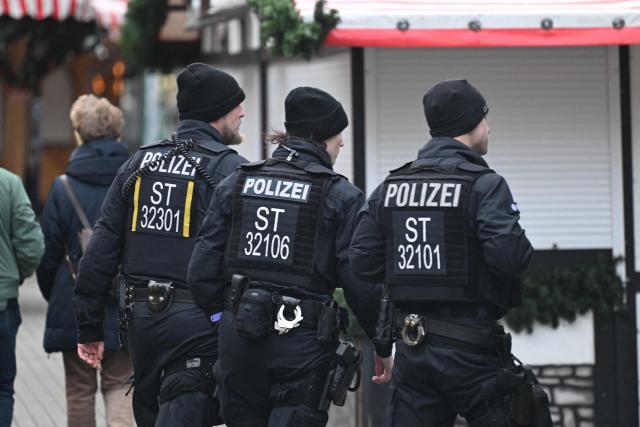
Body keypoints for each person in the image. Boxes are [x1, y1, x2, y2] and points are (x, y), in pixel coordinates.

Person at [350, 79, 552, 426]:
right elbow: (511, 258)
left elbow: (362, 262)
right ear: (470, 123)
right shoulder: (485, 185)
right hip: (472, 351)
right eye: (485, 118)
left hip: (414, 350)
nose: (489, 127)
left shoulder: (392, 187)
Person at [188, 86, 392, 427]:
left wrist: (222, 319)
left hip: (239, 337)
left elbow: (200, 271)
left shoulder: (237, 183)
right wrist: (383, 344)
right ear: (324, 138)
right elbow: (360, 283)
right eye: (339, 136)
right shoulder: (340, 195)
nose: (342, 143)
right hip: (303, 344)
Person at [73, 63, 249, 427]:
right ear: (217, 111)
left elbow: (101, 249)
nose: (243, 113)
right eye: (237, 106)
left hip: (141, 326)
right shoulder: (230, 170)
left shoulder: (139, 162)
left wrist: (89, 327)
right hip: (200, 325)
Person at [37, 94, 133, 427]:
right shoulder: (134, 183)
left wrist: (59, 295)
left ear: (78, 133)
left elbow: (47, 255)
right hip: (125, 300)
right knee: (121, 385)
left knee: (79, 390)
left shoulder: (63, 188)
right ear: (118, 133)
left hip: (74, 299)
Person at [0, 168, 44, 427]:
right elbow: (32, 246)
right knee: (2, 390)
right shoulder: (8, 183)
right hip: (2, 305)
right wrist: (15, 276)